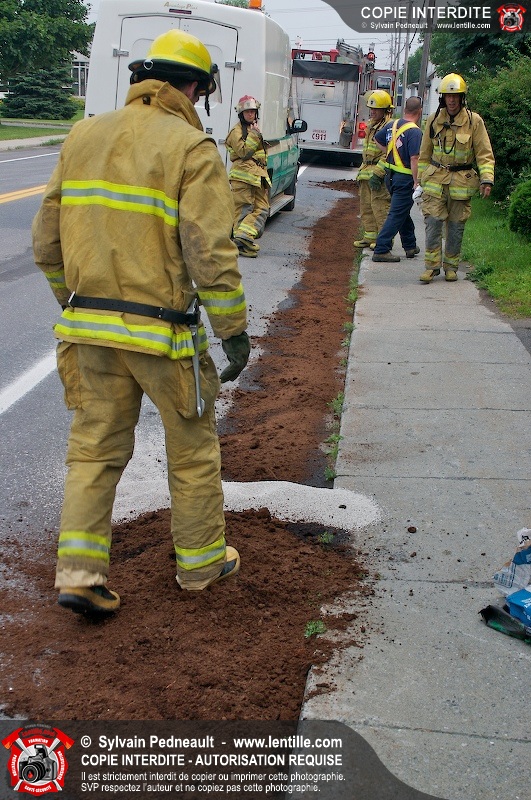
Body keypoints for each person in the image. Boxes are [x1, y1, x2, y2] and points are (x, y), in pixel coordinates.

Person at [32, 30, 251, 615]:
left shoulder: (82, 135)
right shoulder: (192, 148)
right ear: (194, 88)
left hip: (88, 331)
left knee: (93, 451)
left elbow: (46, 241)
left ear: (142, 80)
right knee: (192, 449)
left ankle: (79, 575)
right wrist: (233, 331)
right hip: (163, 337)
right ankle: (201, 566)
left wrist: (73, 303)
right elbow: (209, 252)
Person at [417, 73, 495, 283]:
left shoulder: (473, 121)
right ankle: (431, 267)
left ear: (462, 98)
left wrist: (487, 179)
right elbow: (424, 154)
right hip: (435, 180)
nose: (452, 100)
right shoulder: (433, 120)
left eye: (456, 96)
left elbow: (484, 154)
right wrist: (420, 181)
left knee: (456, 226)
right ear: (443, 98)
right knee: (433, 222)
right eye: (448, 96)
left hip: (461, 182)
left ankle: (451, 267)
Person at [371, 96, 423, 263]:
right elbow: (414, 158)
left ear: (405, 110)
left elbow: (376, 139)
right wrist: (416, 181)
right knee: (396, 214)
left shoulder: (392, 125)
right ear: (420, 112)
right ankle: (381, 249)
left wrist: (390, 151)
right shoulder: (415, 131)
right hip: (405, 179)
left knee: (402, 212)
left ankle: (410, 246)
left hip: (390, 176)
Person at [225, 95, 271, 257]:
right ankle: (241, 244)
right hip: (242, 178)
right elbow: (244, 152)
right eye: (247, 112)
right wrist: (255, 135)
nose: (251, 114)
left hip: (256, 176)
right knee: (243, 211)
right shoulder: (236, 132)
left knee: (263, 209)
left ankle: (244, 239)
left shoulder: (252, 129)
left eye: (253, 111)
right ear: (241, 113)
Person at [353, 90, 393, 250]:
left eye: (376, 109)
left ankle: (383, 241)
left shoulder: (389, 128)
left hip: (378, 174)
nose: (372, 111)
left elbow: (389, 153)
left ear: (385, 110)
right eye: (371, 108)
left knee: (380, 208)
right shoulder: (371, 125)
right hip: (366, 172)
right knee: (366, 207)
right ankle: (369, 236)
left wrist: (378, 173)